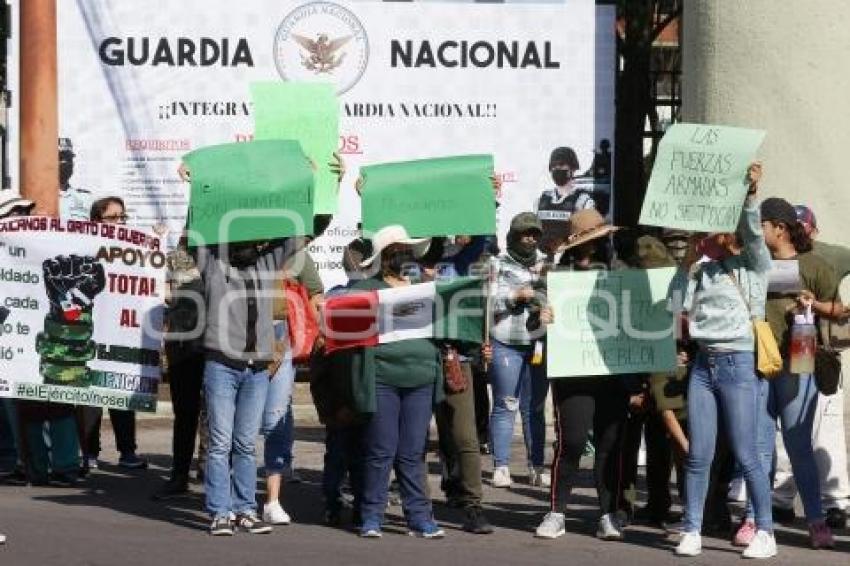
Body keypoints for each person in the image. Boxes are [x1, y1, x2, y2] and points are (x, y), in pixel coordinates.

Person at [671, 163, 777, 559]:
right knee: (699, 452)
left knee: (747, 451)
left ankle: (765, 530)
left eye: (719, 226)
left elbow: (752, 233)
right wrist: (686, 261)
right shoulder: (701, 271)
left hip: (738, 362)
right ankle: (691, 528)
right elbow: (672, 305)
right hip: (703, 365)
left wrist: (750, 196)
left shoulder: (754, 265)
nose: (712, 232)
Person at [743, 197, 845, 549]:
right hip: (757, 364)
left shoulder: (815, 266)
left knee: (798, 445)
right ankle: (756, 520)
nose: (757, 231)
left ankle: (816, 521)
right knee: (758, 447)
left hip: (798, 365)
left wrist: (812, 305)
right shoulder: (755, 263)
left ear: (780, 229)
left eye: (762, 225)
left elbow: (840, 312)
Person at [534, 209, 636, 541]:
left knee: (609, 444)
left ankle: (608, 514)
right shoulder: (557, 275)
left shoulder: (620, 270)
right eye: (591, 239)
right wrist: (543, 316)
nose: (598, 243)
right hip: (573, 372)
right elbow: (534, 324)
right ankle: (556, 512)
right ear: (578, 244)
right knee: (573, 442)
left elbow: (639, 313)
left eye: (601, 237)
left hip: (611, 372)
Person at [344, 225, 444, 539]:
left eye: (406, 250)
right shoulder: (365, 289)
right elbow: (346, 324)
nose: (403, 255)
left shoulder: (425, 287)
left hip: (422, 376)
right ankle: (371, 515)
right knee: (380, 449)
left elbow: (446, 325)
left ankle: (419, 517)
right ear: (383, 257)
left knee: (413, 452)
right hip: (383, 378)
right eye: (395, 251)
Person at [775, 204, 850, 529]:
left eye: (804, 228)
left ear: (813, 230)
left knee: (826, 432)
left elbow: (839, 309)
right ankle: (780, 499)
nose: (800, 233)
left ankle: (836, 503)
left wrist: (817, 305)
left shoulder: (829, 256)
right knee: (785, 431)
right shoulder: (778, 259)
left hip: (822, 358)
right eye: (796, 227)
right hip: (788, 355)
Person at [419, 237, 494, 535]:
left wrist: (479, 349)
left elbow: (474, 315)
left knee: (465, 436)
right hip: (419, 357)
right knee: (413, 438)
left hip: (455, 359)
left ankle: (472, 504)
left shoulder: (468, 263)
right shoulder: (412, 261)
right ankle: (417, 502)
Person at [76, 197, 147, 470]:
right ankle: (89, 452)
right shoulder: (85, 247)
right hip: (92, 331)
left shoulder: (131, 248)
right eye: (112, 218)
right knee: (90, 395)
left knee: (121, 391)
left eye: (122, 217)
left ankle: (127, 452)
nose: (119, 223)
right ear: (96, 221)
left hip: (121, 331)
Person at [261, 243, 324, 525]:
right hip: (243, 337)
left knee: (277, 412)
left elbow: (315, 294)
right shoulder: (241, 251)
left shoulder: (296, 254)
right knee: (252, 417)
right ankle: (240, 491)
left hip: (282, 340)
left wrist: (316, 333)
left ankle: (277, 478)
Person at [488, 212, 550, 489]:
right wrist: (515, 296)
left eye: (535, 233)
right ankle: (501, 466)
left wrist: (550, 310)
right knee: (505, 404)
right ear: (513, 235)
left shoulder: (548, 265)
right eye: (526, 233)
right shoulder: (497, 263)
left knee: (534, 408)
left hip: (538, 342)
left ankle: (536, 466)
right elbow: (486, 302)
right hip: (506, 341)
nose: (530, 238)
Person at [152, 232, 206, 500]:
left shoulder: (229, 254)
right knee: (185, 414)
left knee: (219, 414)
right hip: (182, 344)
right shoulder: (175, 257)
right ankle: (179, 474)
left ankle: (213, 472)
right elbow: (163, 293)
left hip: (216, 344)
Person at [535, 147, 596, 256]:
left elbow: (588, 239)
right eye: (554, 166)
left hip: (568, 262)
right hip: (542, 260)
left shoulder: (583, 201)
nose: (557, 169)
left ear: (573, 168)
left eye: (562, 165)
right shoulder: (541, 200)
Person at [58, 138, 93, 221]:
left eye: (68, 158)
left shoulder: (86, 198)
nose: (65, 162)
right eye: (60, 158)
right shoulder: (38, 199)